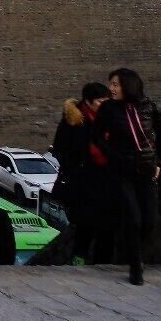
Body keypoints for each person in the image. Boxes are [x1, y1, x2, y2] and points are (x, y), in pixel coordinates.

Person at [93, 66, 161, 284]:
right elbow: (96, 136)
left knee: (150, 221)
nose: (111, 88)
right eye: (111, 84)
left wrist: (159, 162)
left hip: (146, 171)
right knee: (133, 219)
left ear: (128, 85)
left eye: (115, 84)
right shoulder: (108, 109)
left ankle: (137, 255)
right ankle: (136, 266)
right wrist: (113, 156)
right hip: (121, 172)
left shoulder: (148, 107)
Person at [48, 81, 109, 264]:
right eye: (100, 101)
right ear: (88, 101)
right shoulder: (73, 120)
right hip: (81, 180)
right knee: (85, 222)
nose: (104, 105)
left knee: (105, 222)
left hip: (104, 177)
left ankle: (101, 261)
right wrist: (75, 168)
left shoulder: (108, 118)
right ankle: (79, 258)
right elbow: (59, 148)